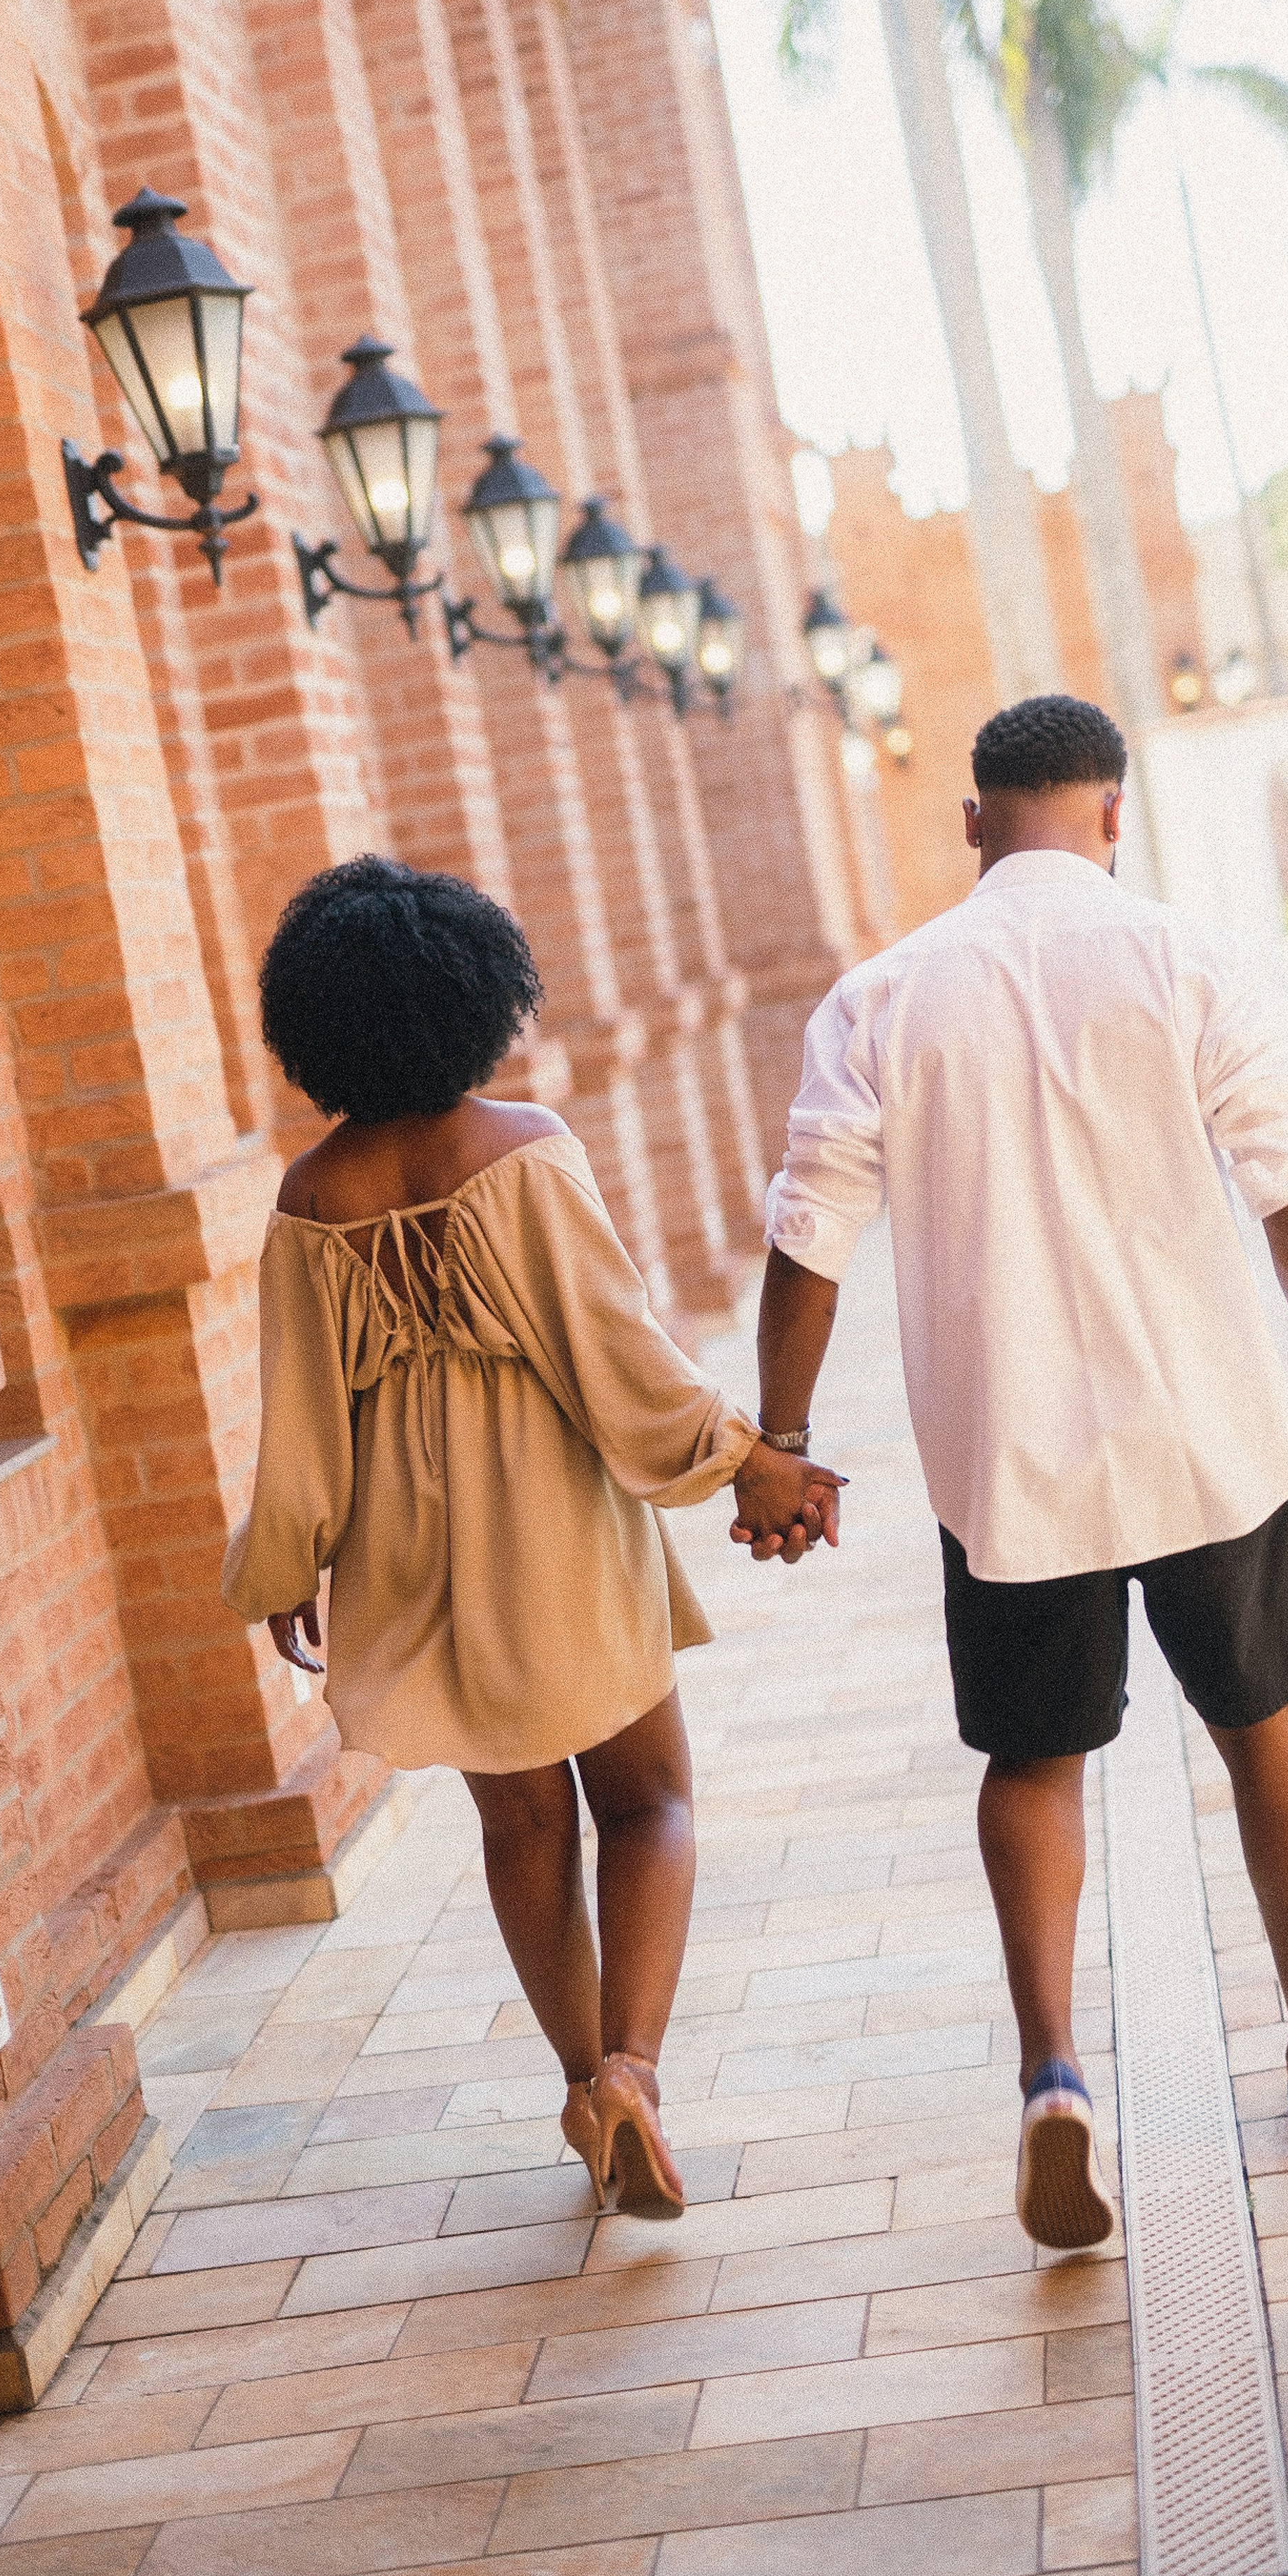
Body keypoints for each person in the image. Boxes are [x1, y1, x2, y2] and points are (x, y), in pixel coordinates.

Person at [748, 694, 1288, 2252]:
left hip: (1010, 1459)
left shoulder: (883, 997)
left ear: (972, 820)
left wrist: (778, 1443)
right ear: (1111, 814)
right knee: (1263, 1741)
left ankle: (1049, 2072)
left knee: (1031, 1766)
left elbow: (804, 1242)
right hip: (1209, 1443)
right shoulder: (1182, 958)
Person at [223, 857, 841, 2219]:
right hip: (553, 1529)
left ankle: (577, 2086)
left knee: (519, 1822)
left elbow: (298, 1427)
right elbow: (619, 1362)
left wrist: (282, 1573)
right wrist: (753, 1463)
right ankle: (632, 2067)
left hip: (401, 1551)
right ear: (470, 991)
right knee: (649, 1798)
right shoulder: (521, 1152)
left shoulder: (307, 1201)